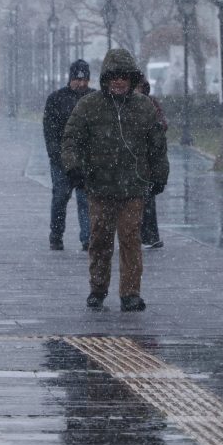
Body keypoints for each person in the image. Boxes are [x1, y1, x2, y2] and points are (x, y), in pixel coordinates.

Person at [61, 48, 169, 312]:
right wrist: (74, 168)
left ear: (132, 79)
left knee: (131, 239)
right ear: (106, 79)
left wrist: (159, 175)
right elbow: (71, 138)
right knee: (100, 239)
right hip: (99, 186)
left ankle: (130, 292)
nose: (119, 82)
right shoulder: (89, 106)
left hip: (133, 186)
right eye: (114, 76)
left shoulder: (144, 107)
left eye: (124, 76)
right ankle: (98, 288)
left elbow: (157, 145)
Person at [43, 59, 94, 251]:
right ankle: (56, 234)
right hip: (62, 159)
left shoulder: (94, 98)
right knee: (60, 197)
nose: (81, 83)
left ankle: (87, 238)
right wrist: (57, 156)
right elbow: (50, 132)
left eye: (84, 80)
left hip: (86, 159)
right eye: (77, 79)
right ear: (70, 78)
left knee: (85, 199)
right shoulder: (56, 99)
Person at [136, 78, 167, 249]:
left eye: (139, 87)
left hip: (146, 160)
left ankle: (150, 235)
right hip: (133, 159)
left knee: (147, 199)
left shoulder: (150, 104)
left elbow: (162, 125)